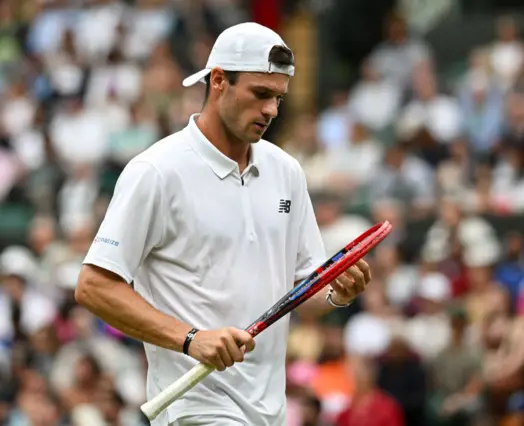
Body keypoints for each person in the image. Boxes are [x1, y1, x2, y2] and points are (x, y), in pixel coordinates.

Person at [74, 23, 372, 426]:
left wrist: (338, 293)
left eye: (278, 98)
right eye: (260, 94)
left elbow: (306, 290)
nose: (271, 110)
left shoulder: (287, 171)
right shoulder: (157, 171)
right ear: (218, 81)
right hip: (196, 410)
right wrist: (191, 339)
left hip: (270, 411)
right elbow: (93, 286)